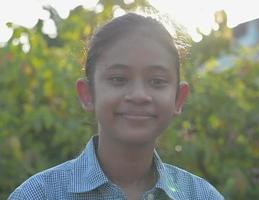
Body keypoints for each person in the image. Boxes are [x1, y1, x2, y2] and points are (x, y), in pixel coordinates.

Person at [9, 12, 224, 200]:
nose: (139, 96)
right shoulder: (39, 195)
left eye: (157, 81)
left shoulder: (202, 195)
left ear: (179, 98)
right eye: (118, 79)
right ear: (87, 94)